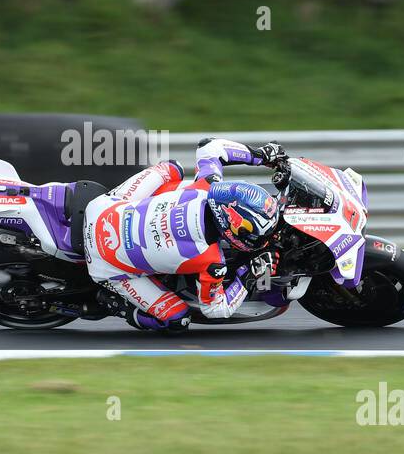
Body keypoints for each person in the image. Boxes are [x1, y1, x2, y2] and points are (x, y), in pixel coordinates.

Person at [81, 138, 286, 331]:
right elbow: (215, 310)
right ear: (233, 230)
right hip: (106, 265)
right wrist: (249, 275)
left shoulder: (206, 184)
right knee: (179, 319)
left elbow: (209, 146)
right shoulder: (212, 261)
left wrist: (260, 155)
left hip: (102, 209)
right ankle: (117, 306)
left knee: (173, 168)